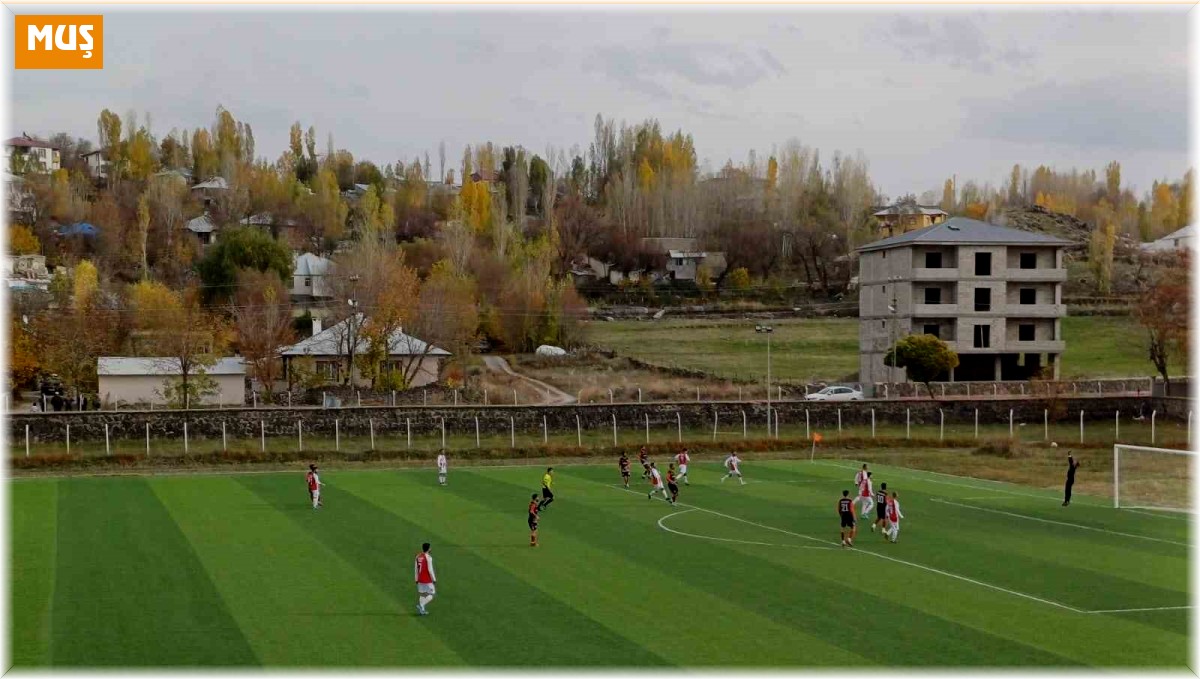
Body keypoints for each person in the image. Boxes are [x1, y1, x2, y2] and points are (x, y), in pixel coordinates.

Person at [414, 542, 437, 615]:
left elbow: (416, 568)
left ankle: (422, 610)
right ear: (428, 549)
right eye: (430, 547)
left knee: (423, 594)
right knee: (431, 594)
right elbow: (430, 569)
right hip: (427, 580)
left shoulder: (418, 556)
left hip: (420, 579)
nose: (431, 548)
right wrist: (434, 579)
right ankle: (421, 605)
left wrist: (416, 579)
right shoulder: (428, 557)